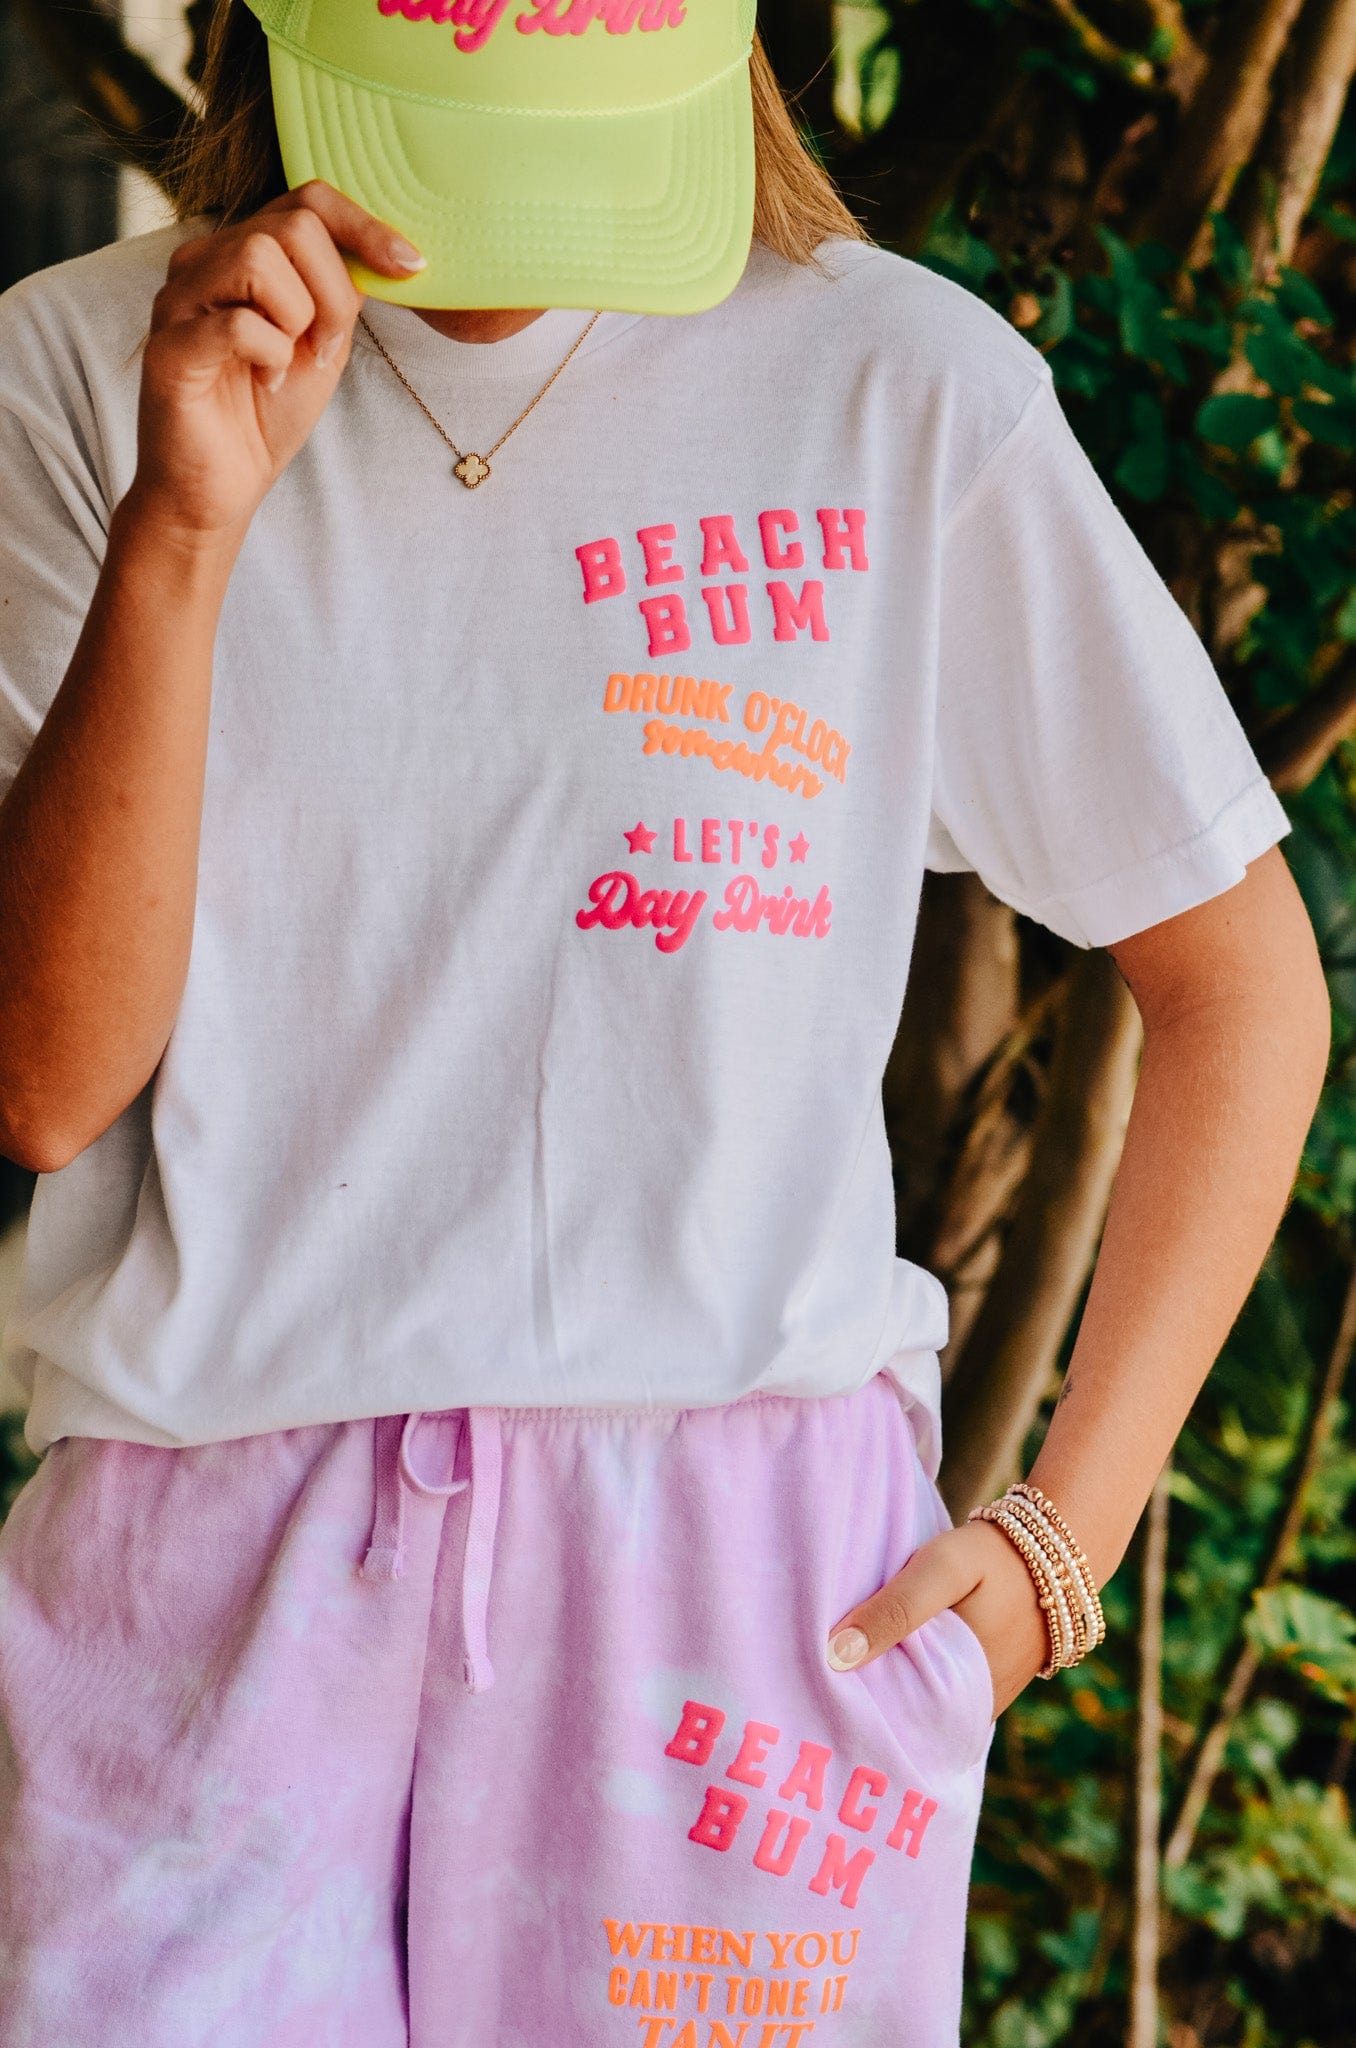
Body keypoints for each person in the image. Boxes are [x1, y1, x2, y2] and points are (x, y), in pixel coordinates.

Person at [0, 1, 1331, 2042]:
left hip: (731, 1589)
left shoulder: (895, 388)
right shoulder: (80, 371)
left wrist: (1055, 1555)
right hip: (204, 1566)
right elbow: (42, 1078)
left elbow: (1239, 981)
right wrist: (183, 531)